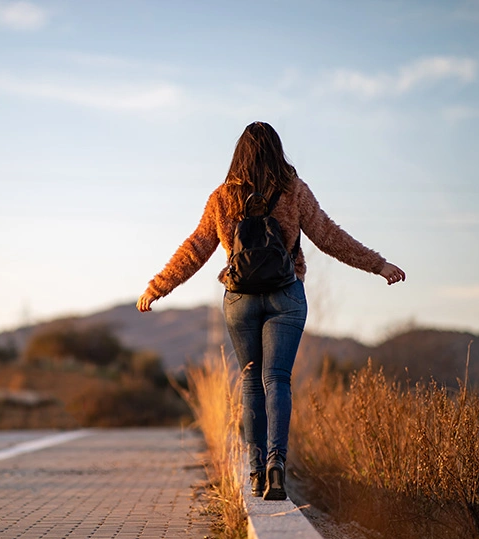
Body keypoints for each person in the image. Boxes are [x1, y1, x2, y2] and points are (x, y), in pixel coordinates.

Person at [136, 121, 405, 501]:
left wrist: (157, 287)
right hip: (286, 294)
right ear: (278, 151)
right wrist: (377, 265)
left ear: (238, 154)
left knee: (250, 380)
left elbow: (197, 247)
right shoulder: (294, 191)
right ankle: (277, 466)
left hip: (240, 299)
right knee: (276, 379)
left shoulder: (222, 197)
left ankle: (255, 469)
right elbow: (329, 236)